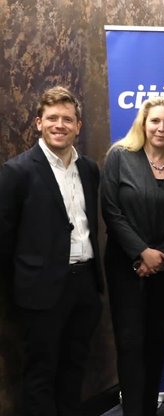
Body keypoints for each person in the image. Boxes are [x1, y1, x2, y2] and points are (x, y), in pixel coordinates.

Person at [0, 86, 103, 416]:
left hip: (84, 286)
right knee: (40, 375)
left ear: (78, 126)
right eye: (53, 118)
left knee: (74, 370)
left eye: (67, 119)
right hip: (40, 292)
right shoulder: (17, 171)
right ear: (39, 123)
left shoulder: (88, 169)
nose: (60, 125)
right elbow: (4, 239)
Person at [101, 96, 164, 416]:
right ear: (143, 123)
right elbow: (111, 211)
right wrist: (141, 251)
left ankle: (148, 410)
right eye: (155, 121)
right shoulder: (120, 157)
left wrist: (159, 254)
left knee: (154, 342)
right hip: (125, 265)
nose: (161, 128)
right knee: (129, 343)